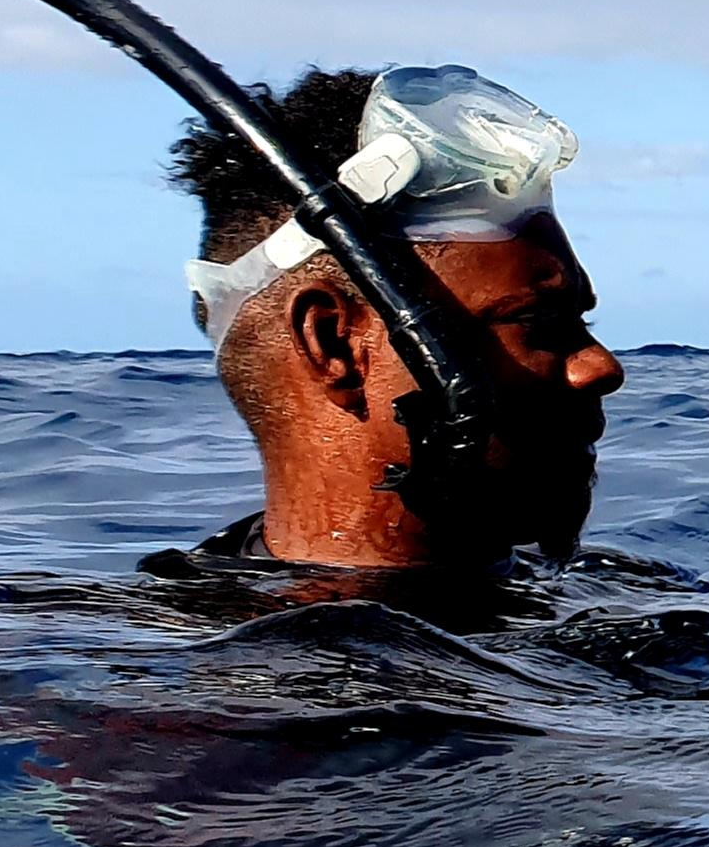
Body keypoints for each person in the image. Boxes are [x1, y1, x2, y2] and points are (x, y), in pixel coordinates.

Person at [167, 65, 624, 568]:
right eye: (538, 324)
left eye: (582, 325)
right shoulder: (153, 640)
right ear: (334, 346)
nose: (602, 368)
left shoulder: (627, 588)